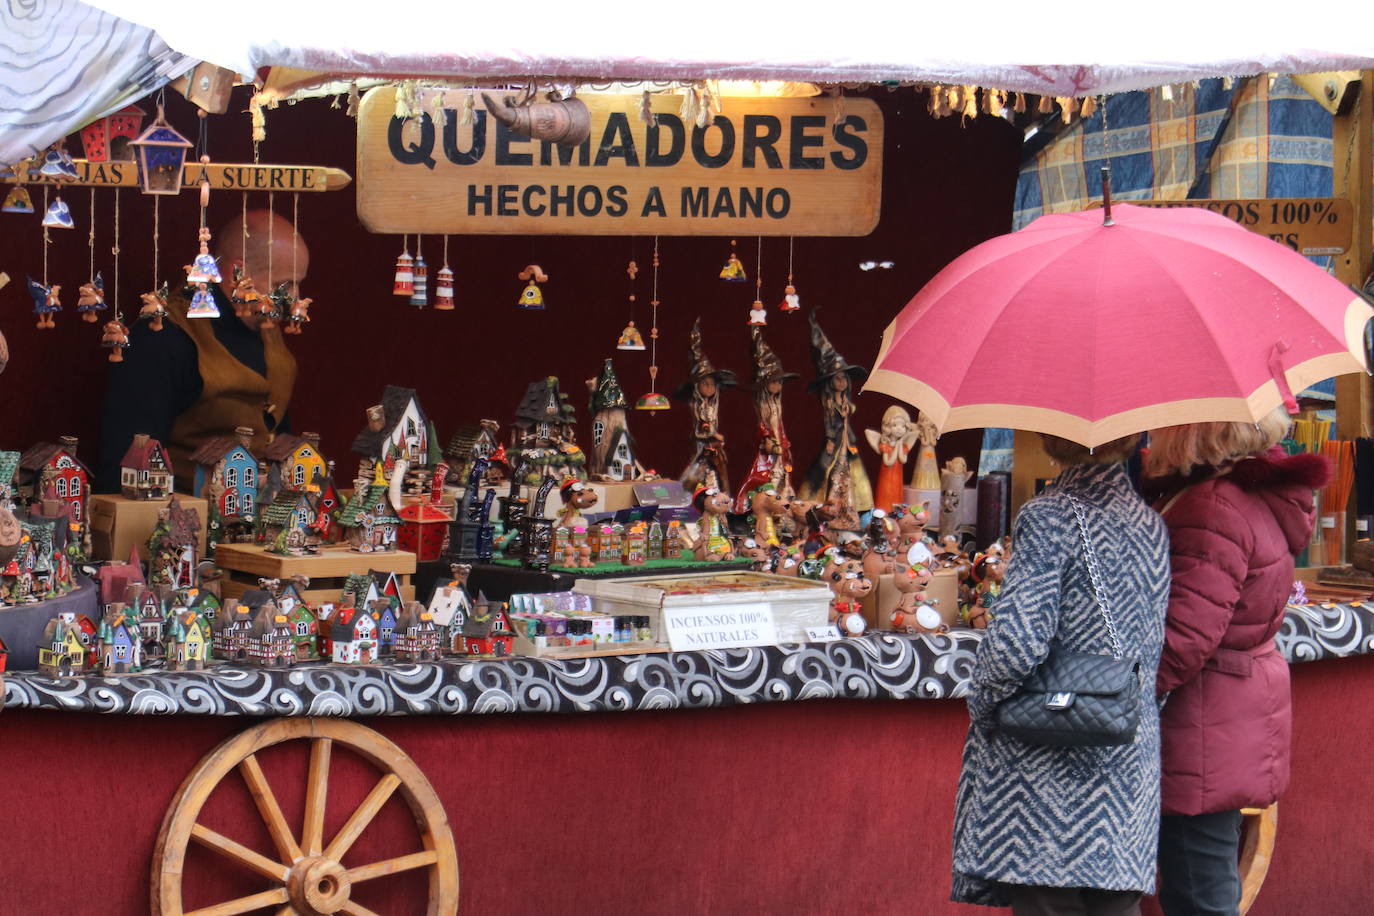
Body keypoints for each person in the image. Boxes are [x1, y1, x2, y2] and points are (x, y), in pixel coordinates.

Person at [952, 433, 1170, 915]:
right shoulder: (1151, 525)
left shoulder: (1050, 515)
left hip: (1047, 771)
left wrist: (983, 707)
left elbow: (1014, 644)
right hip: (1127, 758)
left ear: (1052, 440)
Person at [1144, 408, 1329, 916]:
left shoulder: (1213, 506)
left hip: (1202, 721)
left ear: (1194, 428)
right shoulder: (1241, 494)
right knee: (1203, 877)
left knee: (1196, 887)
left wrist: (1119, 689)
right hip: (1226, 713)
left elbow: (1183, 639)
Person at [97, 210, 308, 493]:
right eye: (284, 285)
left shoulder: (266, 325)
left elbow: (274, 429)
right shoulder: (162, 336)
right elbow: (127, 462)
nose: (294, 298)